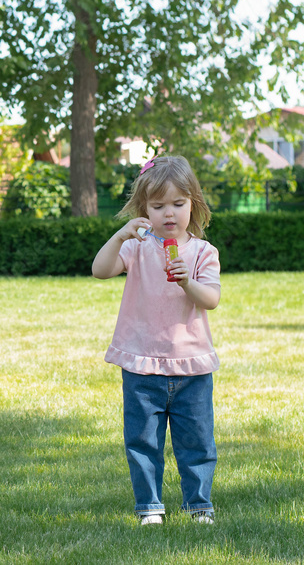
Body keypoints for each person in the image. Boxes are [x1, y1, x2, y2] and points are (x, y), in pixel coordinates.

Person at [92, 155, 221, 526]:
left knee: (197, 442)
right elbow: (100, 271)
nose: (169, 213)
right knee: (143, 442)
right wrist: (120, 235)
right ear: (143, 209)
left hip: (191, 364)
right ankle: (149, 507)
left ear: (192, 203)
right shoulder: (136, 247)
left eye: (178, 204)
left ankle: (199, 505)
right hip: (141, 363)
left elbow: (210, 299)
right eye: (158, 205)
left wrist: (187, 282)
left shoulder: (202, 253)